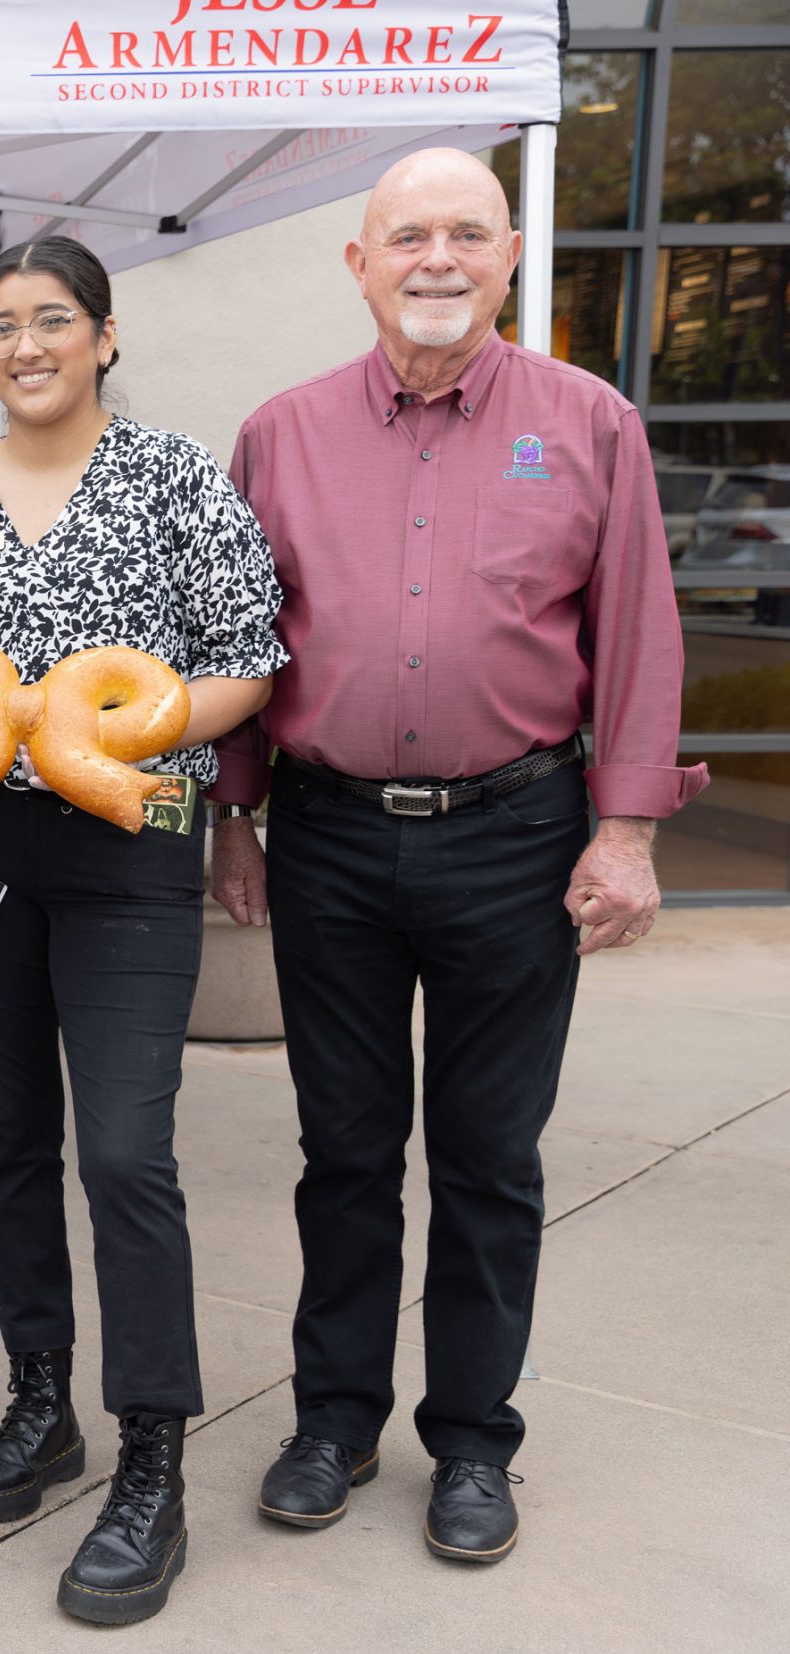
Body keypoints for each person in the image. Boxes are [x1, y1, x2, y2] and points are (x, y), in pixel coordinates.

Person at [210, 148, 706, 1565]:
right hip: (326, 838)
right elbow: (246, 646)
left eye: (466, 235)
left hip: (518, 835)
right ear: (357, 264)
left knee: (490, 1155)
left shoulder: (591, 422)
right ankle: (334, 1417)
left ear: (507, 261)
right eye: (407, 234)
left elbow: (640, 634)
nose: (437, 257)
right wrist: (236, 812)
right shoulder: (281, 433)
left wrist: (627, 829)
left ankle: (476, 1440)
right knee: (346, 1149)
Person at [0, 237, 285, 1623]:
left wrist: (121, 719)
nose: (28, 343)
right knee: (4, 1137)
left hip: (129, 846)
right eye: (2, 324)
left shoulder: (173, 479)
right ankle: (39, 1399)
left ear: (106, 336)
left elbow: (247, 657)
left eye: (55, 320)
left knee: (123, 1151)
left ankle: (152, 1453)